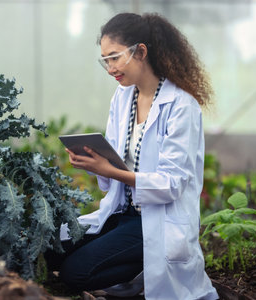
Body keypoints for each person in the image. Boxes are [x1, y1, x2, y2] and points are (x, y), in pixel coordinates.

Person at [50, 12, 219, 300]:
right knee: (51, 248)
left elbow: (172, 184)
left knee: (74, 273)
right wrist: (94, 163)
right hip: (122, 212)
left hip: (155, 222)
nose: (109, 68)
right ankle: (133, 269)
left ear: (141, 52)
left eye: (114, 58)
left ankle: (141, 274)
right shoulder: (123, 96)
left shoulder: (180, 105)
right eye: (105, 60)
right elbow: (113, 169)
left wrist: (110, 169)